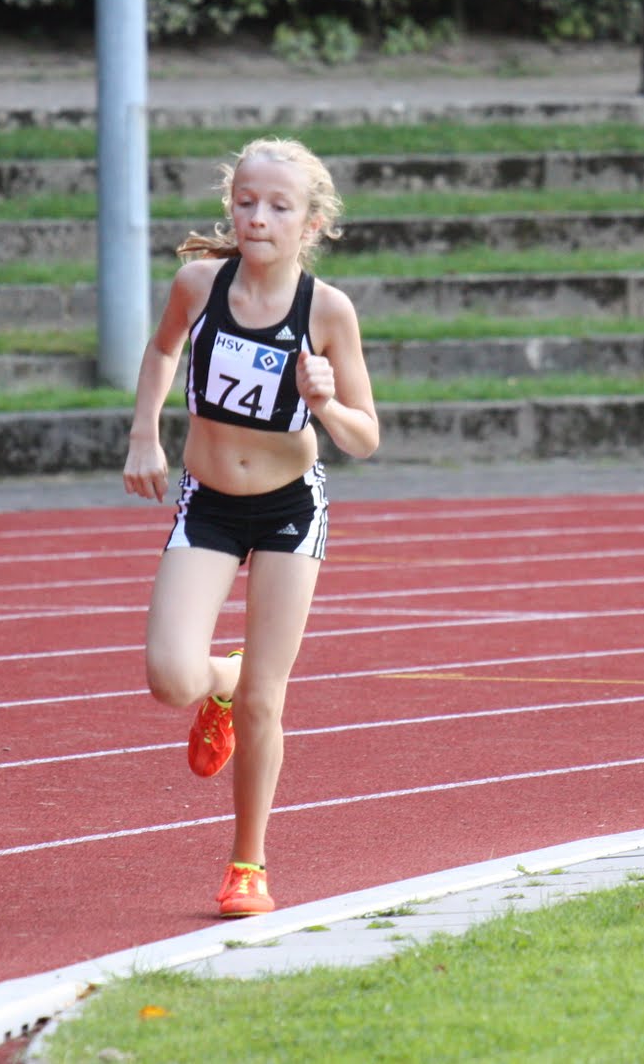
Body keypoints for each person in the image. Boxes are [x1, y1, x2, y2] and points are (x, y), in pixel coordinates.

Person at [123, 137, 382, 917]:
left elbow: (366, 436)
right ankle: (223, 680)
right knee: (172, 677)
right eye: (245, 202)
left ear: (311, 223)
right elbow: (163, 350)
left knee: (268, 700)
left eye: (277, 206)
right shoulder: (199, 284)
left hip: (287, 509)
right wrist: (144, 434)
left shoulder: (327, 310)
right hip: (208, 500)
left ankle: (247, 864)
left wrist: (325, 402)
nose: (257, 217)